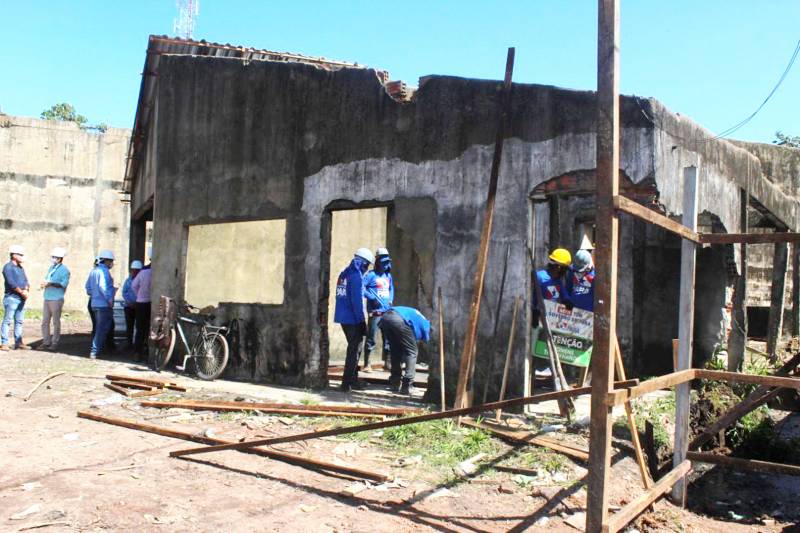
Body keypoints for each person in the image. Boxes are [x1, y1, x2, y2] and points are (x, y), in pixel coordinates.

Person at [333, 247, 374, 392]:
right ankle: (346, 384)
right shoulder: (356, 276)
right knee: (354, 351)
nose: (367, 268)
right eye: (367, 265)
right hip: (353, 319)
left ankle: (353, 380)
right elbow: (356, 301)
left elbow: (355, 292)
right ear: (363, 263)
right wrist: (362, 322)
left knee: (353, 349)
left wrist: (372, 296)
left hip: (343, 317)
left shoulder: (344, 273)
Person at [378, 306, 431, 395]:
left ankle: (395, 382)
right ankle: (407, 385)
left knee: (395, 351)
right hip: (398, 319)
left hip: (385, 318)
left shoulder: (418, 316)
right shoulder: (426, 325)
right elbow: (424, 338)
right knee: (412, 352)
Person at [362, 247, 394, 373]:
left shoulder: (388, 276)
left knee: (388, 339)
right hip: (375, 313)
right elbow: (362, 288)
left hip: (387, 312)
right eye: (384, 262)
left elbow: (391, 289)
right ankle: (367, 364)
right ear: (378, 261)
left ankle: (388, 363)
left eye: (388, 262)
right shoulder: (371, 275)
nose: (386, 264)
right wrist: (371, 298)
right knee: (371, 338)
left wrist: (390, 299)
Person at [85, 249, 116, 359]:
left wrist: (94, 294)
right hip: (103, 304)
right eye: (111, 261)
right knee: (102, 328)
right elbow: (103, 287)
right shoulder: (104, 272)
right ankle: (95, 351)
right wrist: (109, 299)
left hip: (94, 303)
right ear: (107, 261)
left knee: (98, 327)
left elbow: (88, 288)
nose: (112, 264)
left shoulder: (93, 271)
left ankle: (98, 349)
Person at [1, 245, 31, 351]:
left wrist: (26, 289)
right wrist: (22, 292)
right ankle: (4, 343)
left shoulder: (20, 268)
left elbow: (25, 280)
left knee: (19, 321)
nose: (22, 257)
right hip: (12, 298)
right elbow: (11, 283)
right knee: (7, 320)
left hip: (21, 298)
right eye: (20, 255)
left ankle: (18, 343)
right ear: (14, 255)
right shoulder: (7, 267)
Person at [40, 247, 70, 350]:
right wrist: (44, 284)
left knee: (56, 322)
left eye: (55, 257)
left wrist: (51, 283)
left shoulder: (65, 270)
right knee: (45, 321)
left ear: (60, 258)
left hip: (56, 298)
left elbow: (63, 284)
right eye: (52, 257)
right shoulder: (51, 268)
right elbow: (47, 279)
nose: (53, 259)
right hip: (47, 297)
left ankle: (54, 342)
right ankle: (46, 341)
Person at [532, 248, 571, 326]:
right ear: (559, 268)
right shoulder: (539, 277)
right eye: (565, 269)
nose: (565, 272)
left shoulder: (558, 281)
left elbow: (564, 295)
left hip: (552, 318)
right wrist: (533, 312)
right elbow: (531, 296)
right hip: (538, 317)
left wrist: (567, 302)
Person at [131, 250, 153, 362]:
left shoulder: (143, 272)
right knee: (152, 329)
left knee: (140, 329)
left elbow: (133, 285)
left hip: (141, 304)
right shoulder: (157, 272)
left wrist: (139, 295)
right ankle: (149, 352)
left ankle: (137, 353)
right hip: (152, 304)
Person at [122, 260, 143, 349]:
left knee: (139, 326)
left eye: (137, 270)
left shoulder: (142, 280)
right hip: (129, 307)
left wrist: (137, 303)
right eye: (133, 270)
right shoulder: (128, 281)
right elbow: (124, 292)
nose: (135, 272)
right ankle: (129, 343)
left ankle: (138, 344)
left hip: (139, 306)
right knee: (129, 326)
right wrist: (130, 302)